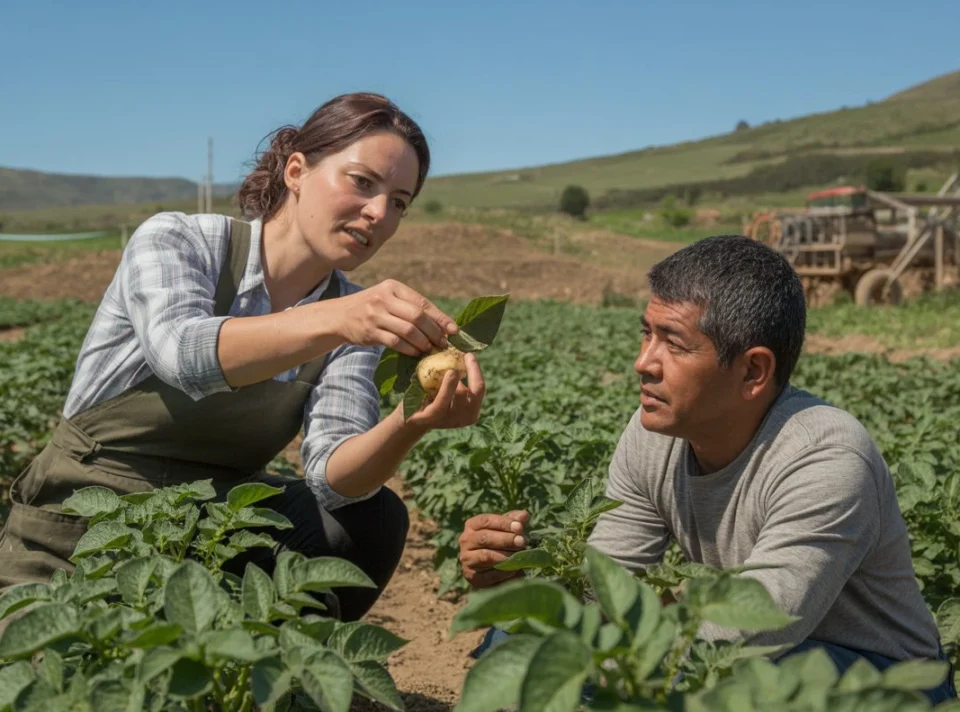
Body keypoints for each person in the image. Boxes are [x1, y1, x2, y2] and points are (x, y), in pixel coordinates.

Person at [0, 92, 486, 623]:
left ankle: (266, 667)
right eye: (362, 182)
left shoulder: (350, 315)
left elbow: (332, 478)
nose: (378, 213)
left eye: (399, 201)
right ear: (296, 171)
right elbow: (182, 355)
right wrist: (340, 319)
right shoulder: (180, 240)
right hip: (83, 528)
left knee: (372, 518)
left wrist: (408, 421)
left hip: (206, 536)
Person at [458, 235, 956, 703]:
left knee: (733, 685)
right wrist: (527, 577)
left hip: (886, 686)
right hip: (751, 659)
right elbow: (605, 585)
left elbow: (748, 632)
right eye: (646, 334)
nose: (643, 362)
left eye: (673, 343)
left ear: (753, 371)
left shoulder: (825, 459)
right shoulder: (652, 435)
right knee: (524, 639)